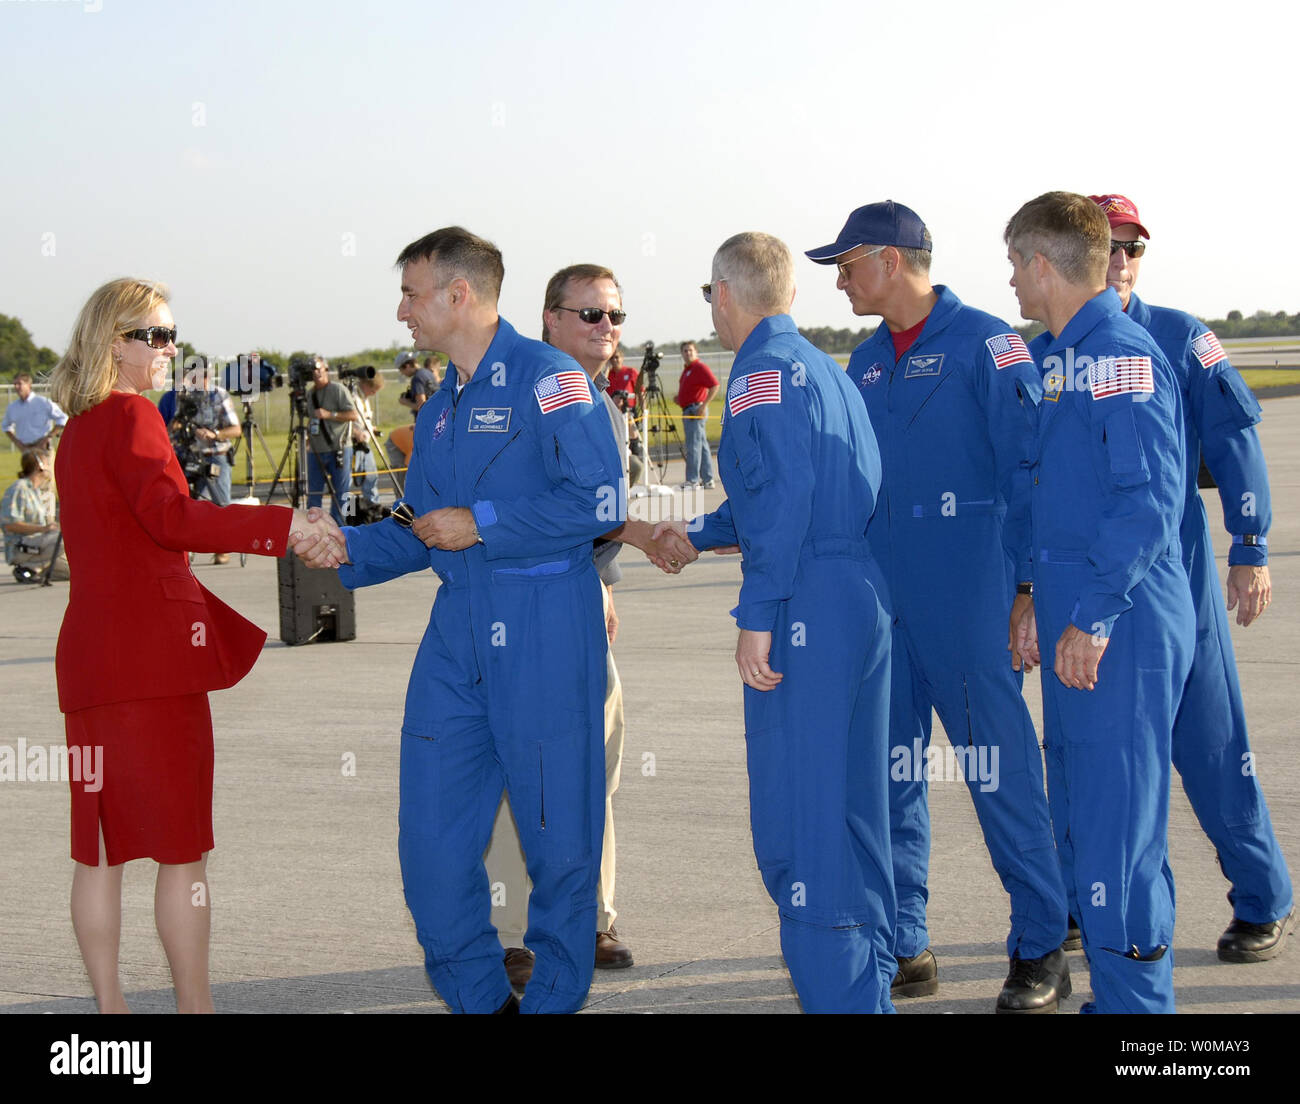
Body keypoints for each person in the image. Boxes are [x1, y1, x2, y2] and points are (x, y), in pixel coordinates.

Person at [296, 226, 625, 1014]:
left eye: (411, 292)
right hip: (456, 642)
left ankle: (550, 1002)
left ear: (459, 295)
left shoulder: (551, 381)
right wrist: (340, 548)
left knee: (561, 851)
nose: (402, 310)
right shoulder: (442, 407)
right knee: (433, 854)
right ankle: (483, 1002)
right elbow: (419, 526)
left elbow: (602, 503)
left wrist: (484, 522)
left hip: (545, 627)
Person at [804, 200, 1069, 1012]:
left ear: (889, 259)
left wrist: (1027, 588)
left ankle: (1041, 943)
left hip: (969, 593)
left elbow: (1034, 468)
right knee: (890, 780)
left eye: (847, 265)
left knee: (999, 771)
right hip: (886, 603)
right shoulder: (864, 362)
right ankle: (904, 942)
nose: (841, 281)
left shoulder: (987, 344)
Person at [47, 277, 336, 1014]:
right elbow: (171, 519)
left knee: (101, 850)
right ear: (116, 343)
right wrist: (280, 527)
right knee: (182, 852)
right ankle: (195, 1008)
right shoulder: (132, 417)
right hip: (151, 668)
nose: (170, 349)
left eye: (174, 334)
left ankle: (112, 1015)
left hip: (90, 662)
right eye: (156, 336)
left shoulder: (75, 432)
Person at [652, 232, 896, 1012]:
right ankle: (873, 984)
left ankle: (843, 1000)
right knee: (859, 811)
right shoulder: (829, 369)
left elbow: (785, 498)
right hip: (857, 590)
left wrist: (759, 613)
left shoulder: (758, 373)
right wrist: (691, 535)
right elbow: (794, 495)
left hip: (804, 605)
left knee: (803, 820)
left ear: (725, 294)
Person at [1091, 193, 1294, 961]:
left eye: (1132, 248)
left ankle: (1264, 896)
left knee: (1211, 743)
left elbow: (1234, 437)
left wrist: (1250, 545)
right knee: (1088, 757)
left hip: (1174, 581)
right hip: (1086, 591)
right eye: (1107, 245)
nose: (1119, 261)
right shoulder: (1049, 352)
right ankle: (1097, 902)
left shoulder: (1181, 338)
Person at [1005, 192, 1194, 1013]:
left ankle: (1139, 1015)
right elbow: (1047, 491)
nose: (1010, 279)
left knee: (1120, 834)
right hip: (1078, 615)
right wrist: (1029, 595)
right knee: (1086, 817)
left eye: (1015, 261)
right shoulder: (1056, 356)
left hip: (1121, 625)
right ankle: (1120, 997)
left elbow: (1148, 502)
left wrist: (1091, 613)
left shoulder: (1119, 353)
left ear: (1044, 264)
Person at [486, 264, 682, 986]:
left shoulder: (608, 405)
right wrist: (636, 533)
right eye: (591, 315)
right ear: (550, 319)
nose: (607, 330)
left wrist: (603, 582)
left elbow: (595, 519)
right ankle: (512, 932)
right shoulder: (520, 399)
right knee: (517, 775)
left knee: (593, 769)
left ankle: (591, 920)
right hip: (521, 611)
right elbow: (548, 512)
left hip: (581, 602)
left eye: (616, 317)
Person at [160, 356, 242, 563]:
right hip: (189, 455)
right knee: (184, 503)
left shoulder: (219, 395)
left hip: (216, 455)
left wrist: (214, 435)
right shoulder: (183, 396)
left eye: (201, 375)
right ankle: (185, 549)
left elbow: (235, 429)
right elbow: (175, 425)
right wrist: (175, 428)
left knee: (220, 505)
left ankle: (223, 548)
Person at [1, 449, 68, 582]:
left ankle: (33, 571)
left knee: (69, 572)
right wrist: (43, 529)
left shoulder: (36, 491)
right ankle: (29, 568)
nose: (50, 467)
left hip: (40, 544)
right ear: (40, 466)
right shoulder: (19, 488)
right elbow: (10, 525)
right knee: (65, 537)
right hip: (21, 547)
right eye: (48, 463)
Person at [306, 356, 358, 526]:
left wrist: (330, 415)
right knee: (313, 494)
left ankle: (341, 530)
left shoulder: (338, 389)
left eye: (319, 369)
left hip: (339, 448)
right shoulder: (310, 394)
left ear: (326, 369)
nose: (316, 373)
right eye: (312, 370)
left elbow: (353, 415)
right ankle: (315, 529)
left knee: (342, 494)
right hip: (316, 450)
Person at [675, 342, 718, 488]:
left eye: (690, 350)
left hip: (696, 409)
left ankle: (692, 480)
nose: (688, 353)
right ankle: (707, 479)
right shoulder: (687, 370)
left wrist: (703, 406)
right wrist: (680, 399)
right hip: (688, 408)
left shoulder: (699, 367)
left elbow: (714, 385)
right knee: (702, 445)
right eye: (685, 351)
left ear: (696, 352)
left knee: (693, 445)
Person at [4, 372, 68, 452]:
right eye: (15, 384)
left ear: (29, 385)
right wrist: (17, 443)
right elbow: (6, 426)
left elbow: (63, 418)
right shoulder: (12, 407)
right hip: (25, 449)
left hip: (43, 448)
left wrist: (49, 436)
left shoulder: (43, 402)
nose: (17, 387)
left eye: (20, 384)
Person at [350, 370, 385, 515]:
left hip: (365, 444)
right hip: (353, 445)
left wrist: (372, 428)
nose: (373, 393)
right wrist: (356, 433)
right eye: (373, 390)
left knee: (371, 475)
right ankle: (349, 511)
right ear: (365, 385)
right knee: (351, 480)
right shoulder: (353, 397)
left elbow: (365, 419)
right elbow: (349, 420)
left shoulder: (364, 399)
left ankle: (373, 507)